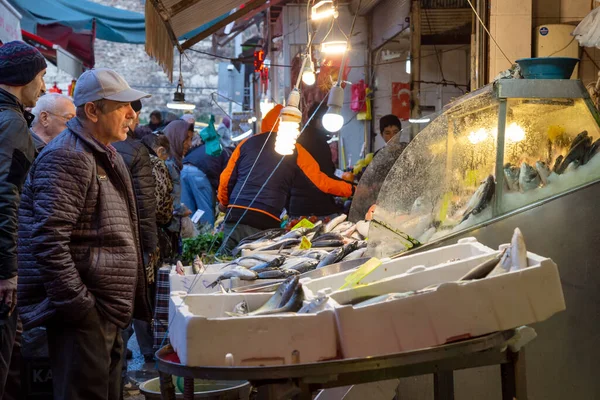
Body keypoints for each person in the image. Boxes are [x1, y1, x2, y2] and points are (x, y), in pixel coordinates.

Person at [17, 67, 152, 400]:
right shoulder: (68, 156)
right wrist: (80, 307)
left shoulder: (102, 152)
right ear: (92, 110)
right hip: (85, 313)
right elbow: (48, 241)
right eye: (122, 106)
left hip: (103, 308)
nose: (132, 114)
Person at [218, 105, 354, 249]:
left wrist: (224, 202)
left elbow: (226, 179)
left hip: (235, 214)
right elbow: (322, 182)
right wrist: (352, 189)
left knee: (223, 265)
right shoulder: (295, 149)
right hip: (265, 220)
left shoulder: (247, 143)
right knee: (253, 266)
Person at [0, 40, 46, 397]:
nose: (43, 87)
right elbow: (5, 197)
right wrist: (8, 271)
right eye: (41, 76)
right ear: (23, 78)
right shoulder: (12, 125)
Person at [112, 99, 157, 367]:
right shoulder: (137, 151)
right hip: (129, 240)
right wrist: (149, 246)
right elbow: (145, 203)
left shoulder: (86, 145)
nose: (133, 118)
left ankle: (115, 372)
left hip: (105, 245)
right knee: (131, 300)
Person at [288, 102, 344, 218]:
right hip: (316, 209)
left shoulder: (303, 138)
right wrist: (353, 189)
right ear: (319, 121)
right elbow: (325, 178)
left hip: (298, 207)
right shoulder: (316, 142)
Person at [162, 120, 194, 250]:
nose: (189, 144)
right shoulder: (169, 164)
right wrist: (182, 210)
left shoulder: (172, 162)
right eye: (186, 139)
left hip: (170, 228)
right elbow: (167, 203)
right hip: (167, 230)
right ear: (176, 137)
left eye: (191, 139)